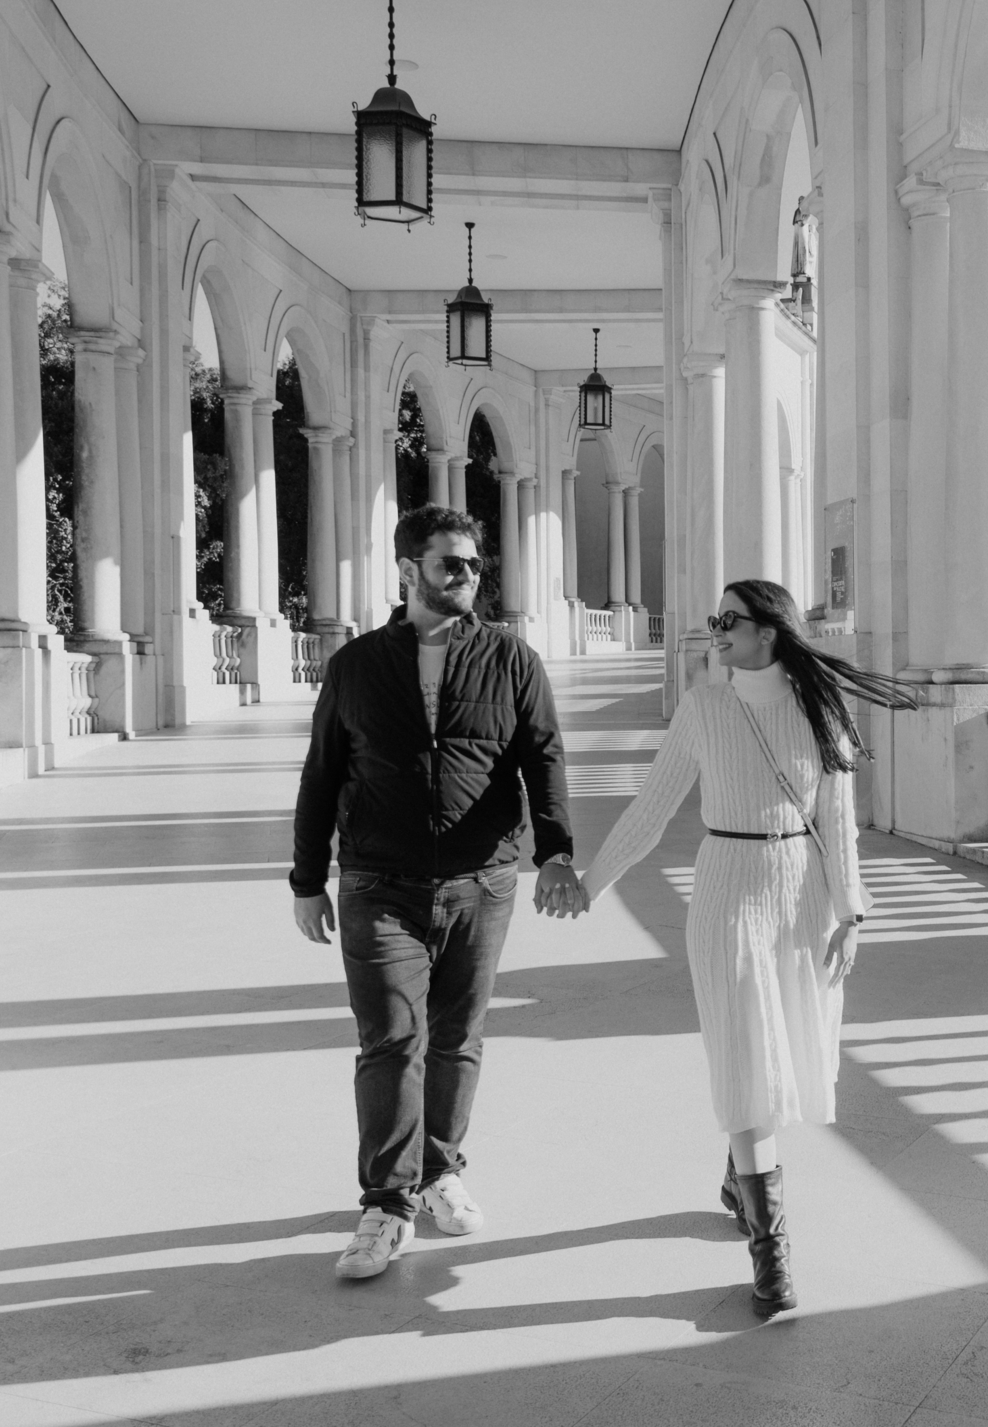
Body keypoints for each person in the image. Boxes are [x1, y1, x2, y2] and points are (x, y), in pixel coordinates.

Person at [579, 579, 916, 1318]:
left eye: (728, 619)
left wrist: (851, 913)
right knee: (745, 1058)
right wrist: (591, 882)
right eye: (714, 618)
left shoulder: (822, 708)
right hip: (727, 892)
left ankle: (742, 1173)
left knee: (782, 1053)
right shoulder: (703, 707)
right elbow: (652, 807)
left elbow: (838, 820)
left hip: (801, 898)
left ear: (769, 630)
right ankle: (773, 1255)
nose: (716, 630)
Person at [291, 503, 588, 1282]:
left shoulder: (511, 659)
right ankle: (386, 1205)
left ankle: (440, 1171)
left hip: (480, 882)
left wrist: (555, 852)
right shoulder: (357, 665)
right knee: (392, 1040)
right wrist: (306, 879)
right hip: (377, 882)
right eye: (451, 563)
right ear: (408, 569)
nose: (468, 576)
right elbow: (322, 774)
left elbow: (544, 758)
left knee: (456, 1037)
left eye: (475, 564)